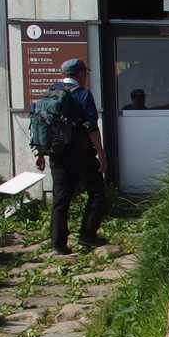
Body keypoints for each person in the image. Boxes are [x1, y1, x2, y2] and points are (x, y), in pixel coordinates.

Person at [34, 57, 107, 255]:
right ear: (80, 73)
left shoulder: (51, 93)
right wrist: (101, 155)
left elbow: (41, 125)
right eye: (86, 73)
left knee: (60, 199)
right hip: (81, 155)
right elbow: (92, 128)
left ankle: (58, 244)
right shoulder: (83, 94)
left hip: (56, 155)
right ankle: (87, 235)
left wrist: (40, 153)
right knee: (97, 192)